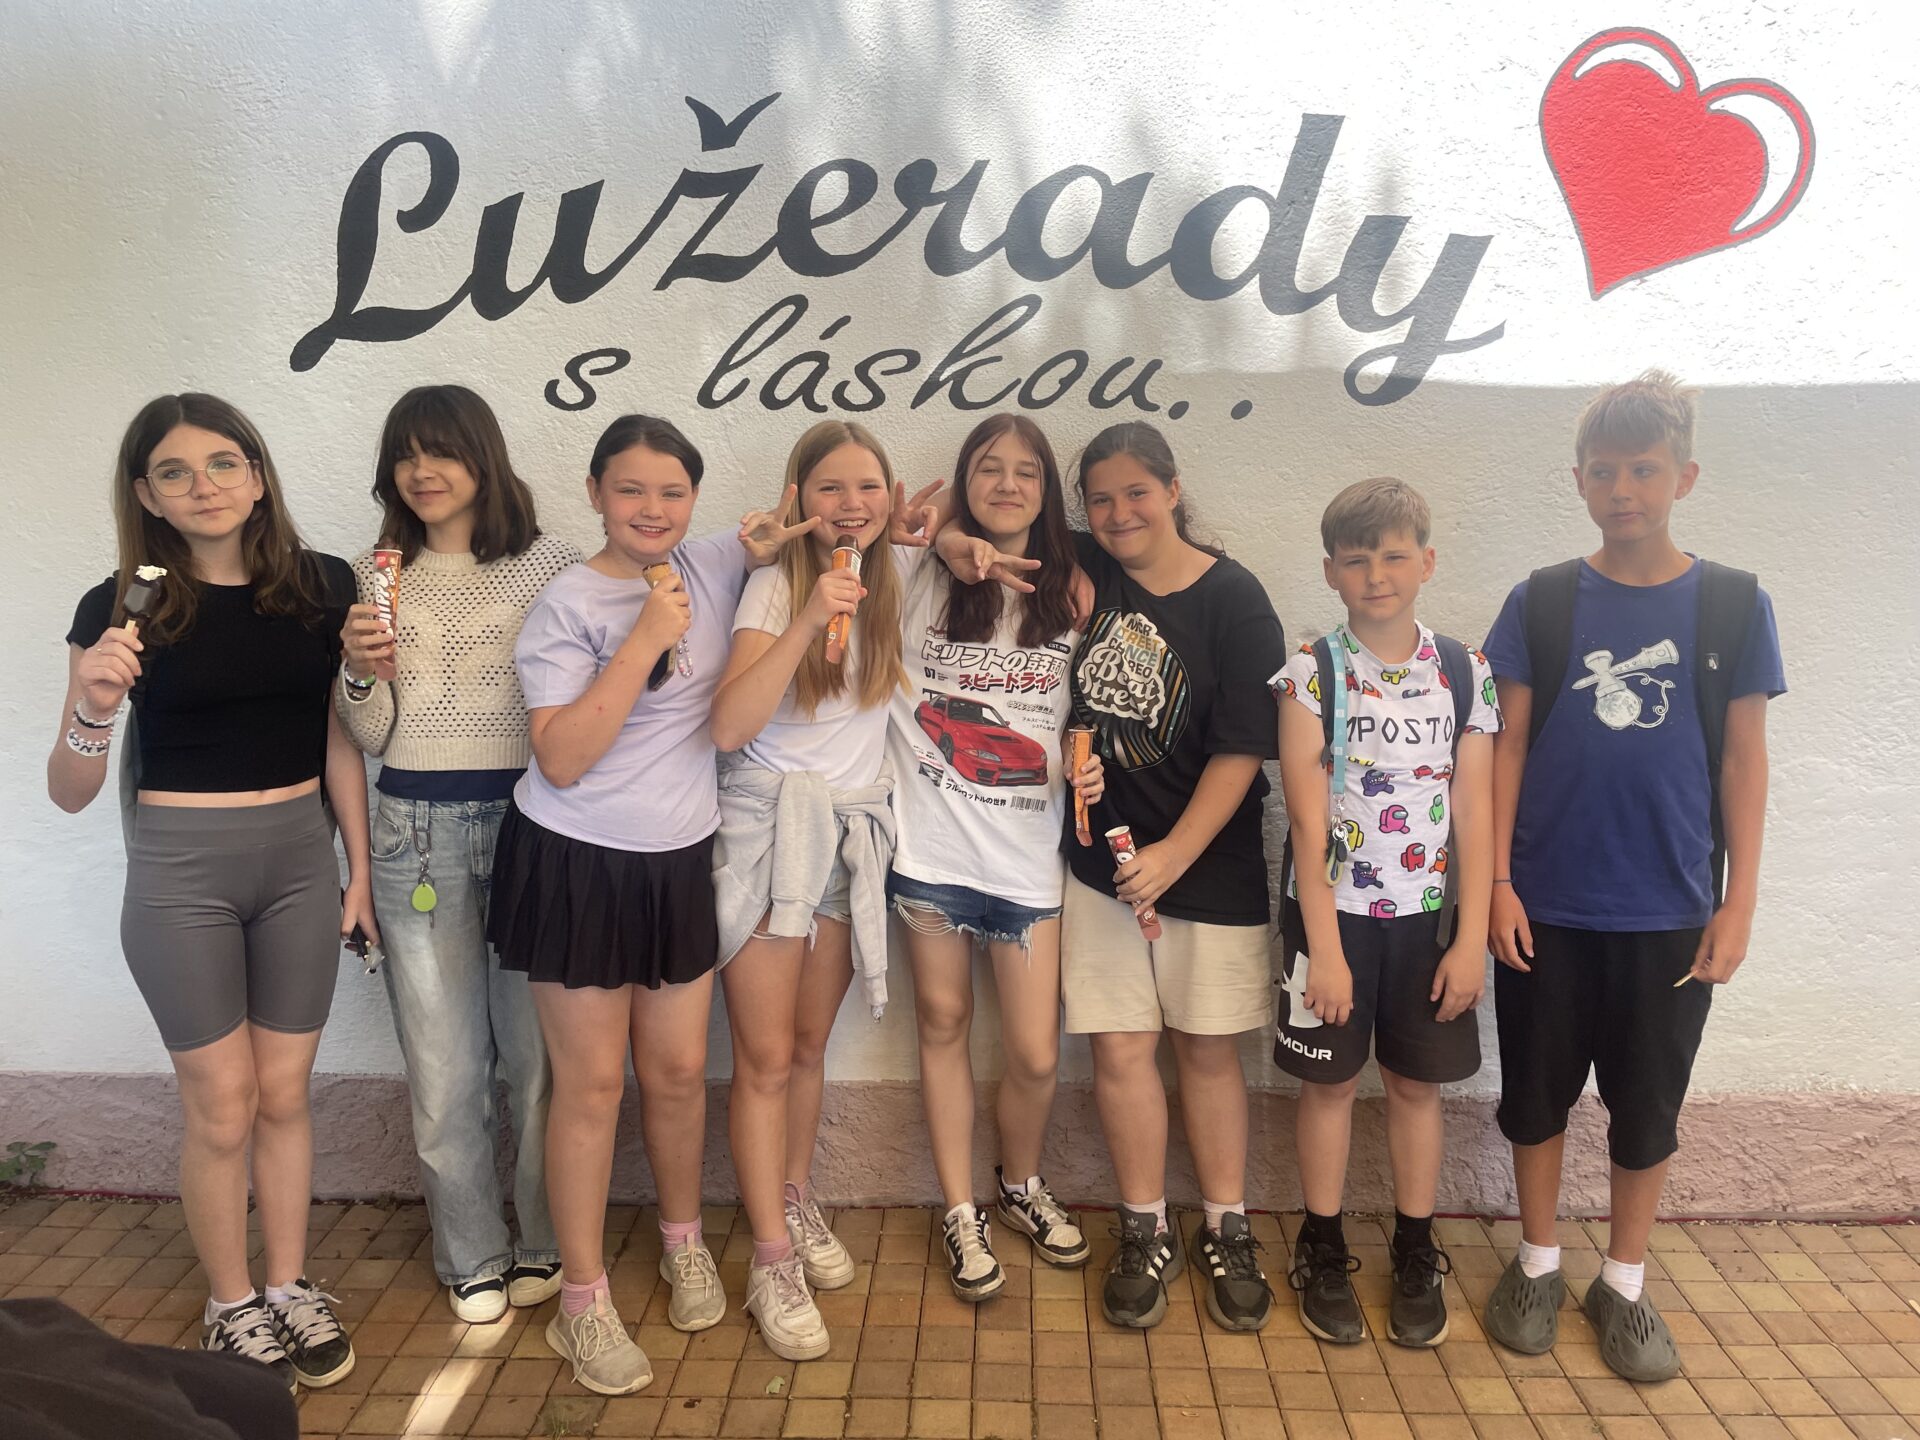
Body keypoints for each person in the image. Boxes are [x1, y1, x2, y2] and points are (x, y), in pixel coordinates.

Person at [484, 414, 810, 1394]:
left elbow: (792, 534)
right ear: (595, 493)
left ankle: (682, 1244)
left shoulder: (709, 561)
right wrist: (642, 642)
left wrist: (935, 538)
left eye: (672, 492)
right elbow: (562, 757)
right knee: (591, 1087)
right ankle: (582, 1304)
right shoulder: (567, 604)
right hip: (575, 860)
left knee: (674, 1074)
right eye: (630, 490)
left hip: (677, 861)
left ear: (693, 500)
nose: (652, 509)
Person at [50, 394, 366, 1392]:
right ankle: (231, 1304)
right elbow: (69, 789)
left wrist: (357, 871)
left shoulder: (323, 587)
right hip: (181, 873)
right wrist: (95, 705)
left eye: (225, 463)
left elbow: (339, 736)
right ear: (146, 495)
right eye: (175, 472)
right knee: (223, 1106)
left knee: (284, 1093)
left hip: (301, 861)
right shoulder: (120, 607)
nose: (205, 486)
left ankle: (289, 1284)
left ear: (259, 476)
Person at [1480, 371, 1784, 1383]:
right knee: (1535, 1095)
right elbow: (1506, 746)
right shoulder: (1543, 600)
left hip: (1671, 910)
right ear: (1578, 478)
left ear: (1683, 477)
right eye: (1605, 471)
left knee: (1648, 1107)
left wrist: (1738, 902)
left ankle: (1623, 1281)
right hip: (1546, 906)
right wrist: (1497, 884)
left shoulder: (1733, 604)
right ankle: (1537, 1261)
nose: (1624, 490)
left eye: (1645, 470)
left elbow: (1744, 759)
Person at [336, 384, 580, 1323]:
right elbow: (371, 733)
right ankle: (472, 1250)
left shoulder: (551, 563)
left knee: (540, 1059)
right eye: (405, 455)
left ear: (483, 456)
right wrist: (360, 671)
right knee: (444, 1068)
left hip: (534, 824)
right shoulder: (378, 574)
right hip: (414, 835)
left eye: (440, 450)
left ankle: (550, 1239)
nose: (421, 471)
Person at [709, 420, 937, 1359]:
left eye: (867, 487)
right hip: (771, 839)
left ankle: (793, 1200)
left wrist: (941, 534)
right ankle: (770, 1259)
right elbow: (728, 726)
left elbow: (949, 519)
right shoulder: (774, 586)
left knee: (808, 1048)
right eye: (829, 487)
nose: (851, 505)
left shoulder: (895, 574)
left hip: (848, 843)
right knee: (763, 1059)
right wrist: (807, 615)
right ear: (798, 497)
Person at [1062, 421, 1285, 1333]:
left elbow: (1245, 747)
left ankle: (1227, 1224)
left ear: (1173, 490)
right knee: (1120, 1049)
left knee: (1206, 1047)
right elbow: (982, 522)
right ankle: (1144, 1224)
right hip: (1101, 868)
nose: (1119, 514)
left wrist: (1173, 856)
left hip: (1208, 863)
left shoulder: (1236, 597)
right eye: (1100, 499)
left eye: (1136, 493)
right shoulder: (1085, 567)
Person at [1271, 477, 1498, 1348]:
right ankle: (1323, 1245)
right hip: (1331, 920)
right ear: (1331, 570)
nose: (1376, 575)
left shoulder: (1464, 671)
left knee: (1415, 1086)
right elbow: (1306, 821)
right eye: (1357, 559)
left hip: (1427, 922)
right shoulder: (1311, 673)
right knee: (1329, 1085)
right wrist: (1325, 953)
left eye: (1395, 556)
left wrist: (1469, 942)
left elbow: (1474, 815)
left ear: (1427, 562)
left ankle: (1413, 1246)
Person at [886, 414, 1103, 1300]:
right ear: (965, 480)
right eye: (988, 468)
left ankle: (1019, 1185)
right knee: (941, 1025)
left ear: (1046, 492)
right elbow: (863, 532)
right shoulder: (918, 576)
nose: (1007, 484)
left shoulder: (1074, 590)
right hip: (931, 853)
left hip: (1026, 859)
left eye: (1026, 472)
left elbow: (1088, 714)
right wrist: (943, 541)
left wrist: (1088, 764)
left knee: (1036, 1053)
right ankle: (959, 1207)